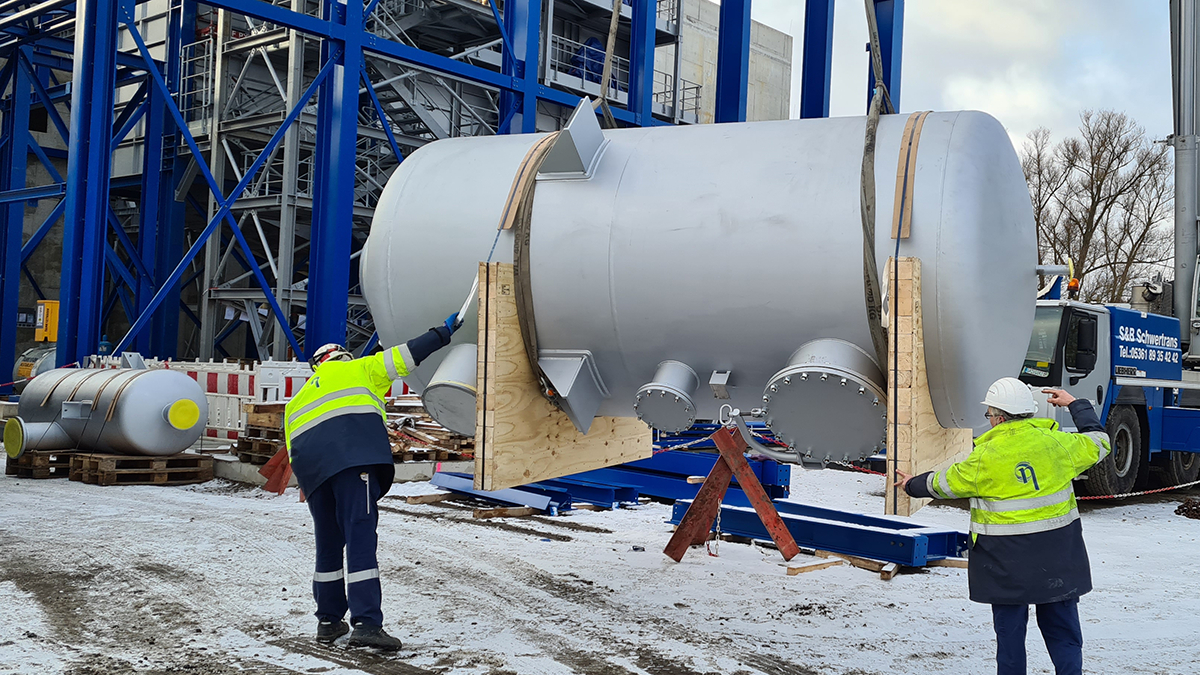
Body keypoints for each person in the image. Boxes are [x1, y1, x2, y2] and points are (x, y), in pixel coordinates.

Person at [894, 377, 1111, 675]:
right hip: (1058, 560)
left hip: (1005, 565)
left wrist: (910, 485)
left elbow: (942, 484)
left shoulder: (984, 458)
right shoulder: (1059, 444)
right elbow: (1100, 442)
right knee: (1064, 635)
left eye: (989, 415)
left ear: (997, 417)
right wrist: (1075, 404)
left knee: (1009, 640)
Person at [285, 313, 461, 650]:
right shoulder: (360, 369)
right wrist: (444, 331)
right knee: (360, 540)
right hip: (354, 464)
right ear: (341, 357)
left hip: (315, 478)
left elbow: (294, 451)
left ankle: (328, 621)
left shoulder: (297, 402)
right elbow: (407, 355)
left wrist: (310, 490)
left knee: (329, 546)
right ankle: (366, 624)